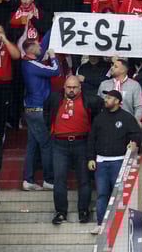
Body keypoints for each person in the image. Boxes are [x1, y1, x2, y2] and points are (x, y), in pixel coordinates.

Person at [46, 76, 99, 225]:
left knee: (84, 180)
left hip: (81, 143)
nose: (71, 90)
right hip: (59, 144)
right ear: (64, 87)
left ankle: (83, 211)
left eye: (74, 87)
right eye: (69, 87)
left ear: (80, 88)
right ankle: (61, 212)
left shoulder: (90, 100)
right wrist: (51, 130)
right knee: (59, 179)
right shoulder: (55, 98)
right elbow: (46, 113)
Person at [88, 90, 141, 234]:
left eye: (109, 97)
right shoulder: (99, 118)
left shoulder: (126, 117)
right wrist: (91, 158)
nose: (106, 100)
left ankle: (118, 226)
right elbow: (92, 139)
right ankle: (101, 224)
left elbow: (137, 133)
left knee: (118, 194)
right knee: (102, 194)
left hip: (119, 161)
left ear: (117, 101)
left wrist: (135, 142)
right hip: (101, 161)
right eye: (106, 97)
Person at [20, 44, 59, 191]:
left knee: (32, 145)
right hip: (38, 110)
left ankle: (28, 179)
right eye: (37, 45)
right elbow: (56, 71)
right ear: (30, 50)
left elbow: (47, 40)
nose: (40, 47)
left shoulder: (27, 63)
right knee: (46, 145)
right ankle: (48, 180)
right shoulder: (32, 65)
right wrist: (53, 57)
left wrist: (55, 22)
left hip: (30, 109)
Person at [96, 57, 142, 121]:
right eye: (112, 66)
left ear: (123, 70)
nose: (112, 68)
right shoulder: (104, 84)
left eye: (115, 66)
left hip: (127, 123)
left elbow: (139, 107)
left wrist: (134, 122)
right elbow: (97, 105)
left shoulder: (134, 85)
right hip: (106, 122)